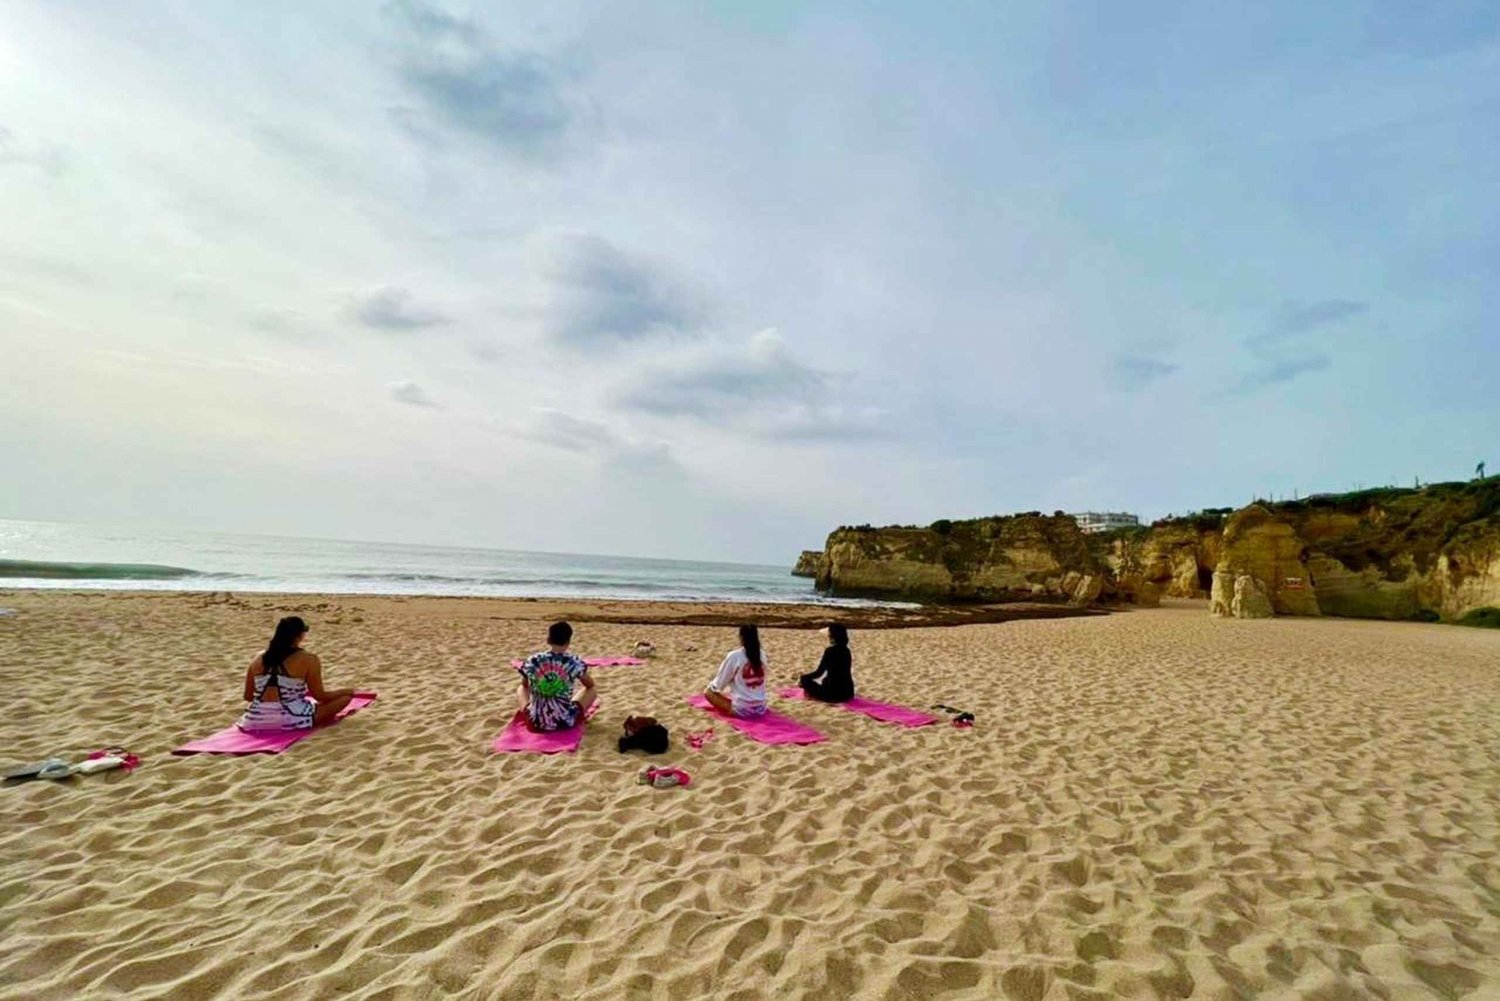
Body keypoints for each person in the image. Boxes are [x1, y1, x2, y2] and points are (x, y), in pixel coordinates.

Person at [238, 616, 354, 731]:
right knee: (345, 699)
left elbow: (248, 696)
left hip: (253, 719)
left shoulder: (258, 657)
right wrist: (346, 691)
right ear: (300, 636)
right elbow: (320, 696)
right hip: (291, 718)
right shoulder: (309, 659)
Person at [517, 621, 597, 732]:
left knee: (521, 688)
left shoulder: (533, 660)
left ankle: (530, 711)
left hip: (534, 723)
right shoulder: (574, 662)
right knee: (592, 690)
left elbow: (525, 685)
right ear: (568, 642)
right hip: (564, 722)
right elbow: (590, 684)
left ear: (548, 639)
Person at [704, 624, 769, 718]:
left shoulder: (735, 656)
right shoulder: (762, 655)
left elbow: (719, 684)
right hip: (761, 707)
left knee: (708, 692)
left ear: (741, 638)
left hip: (742, 710)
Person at [799, 622, 854, 703]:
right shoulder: (846, 650)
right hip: (848, 693)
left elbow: (818, 673)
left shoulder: (830, 651)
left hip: (833, 694)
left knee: (805, 680)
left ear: (832, 637)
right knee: (826, 680)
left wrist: (804, 677)